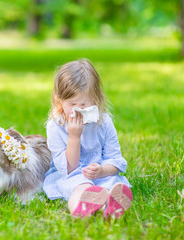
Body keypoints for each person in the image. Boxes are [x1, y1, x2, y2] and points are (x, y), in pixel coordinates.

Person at [43, 59, 133, 218]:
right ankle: (81, 210)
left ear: (96, 99)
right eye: (72, 104)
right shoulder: (55, 126)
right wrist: (74, 137)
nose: (78, 109)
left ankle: (110, 207)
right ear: (59, 101)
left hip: (101, 175)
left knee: (110, 185)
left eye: (84, 104)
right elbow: (68, 169)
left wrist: (102, 171)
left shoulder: (104, 122)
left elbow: (115, 159)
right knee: (80, 187)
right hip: (72, 176)